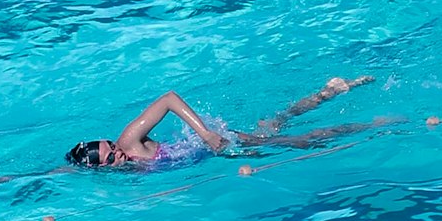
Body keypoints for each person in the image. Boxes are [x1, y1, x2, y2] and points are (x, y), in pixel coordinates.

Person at [64, 75, 378, 171]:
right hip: (214, 152)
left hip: (214, 144)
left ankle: (371, 125)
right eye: (111, 155)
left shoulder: (130, 139)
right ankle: (326, 92)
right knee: (275, 128)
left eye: (112, 146)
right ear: (101, 167)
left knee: (301, 142)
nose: (118, 151)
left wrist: (206, 134)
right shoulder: (122, 170)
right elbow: (64, 171)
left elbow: (169, 98)